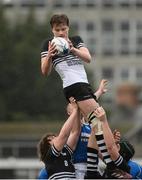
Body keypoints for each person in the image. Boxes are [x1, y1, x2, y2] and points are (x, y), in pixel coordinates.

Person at [38, 79, 108, 179]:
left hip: (93, 166)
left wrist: (99, 91)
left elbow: (86, 102)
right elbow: (83, 104)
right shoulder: (72, 128)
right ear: (69, 113)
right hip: (78, 167)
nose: (77, 106)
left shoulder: (90, 126)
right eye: (73, 106)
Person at [40, 13, 100, 125]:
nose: (61, 32)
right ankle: (104, 143)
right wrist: (49, 55)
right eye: (57, 30)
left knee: (89, 124)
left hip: (84, 84)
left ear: (68, 27)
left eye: (63, 29)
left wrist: (73, 49)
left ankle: (90, 143)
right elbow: (45, 71)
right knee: (98, 119)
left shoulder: (76, 40)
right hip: (74, 85)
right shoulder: (49, 45)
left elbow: (88, 58)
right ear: (52, 30)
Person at [37, 97, 81, 179]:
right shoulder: (50, 156)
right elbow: (64, 136)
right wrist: (74, 110)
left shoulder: (65, 151)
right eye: (53, 137)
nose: (56, 137)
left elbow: (75, 132)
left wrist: (76, 110)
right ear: (49, 142)